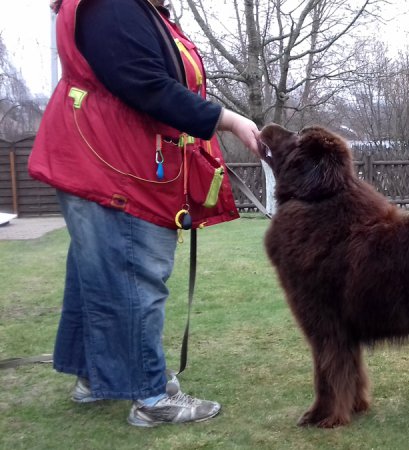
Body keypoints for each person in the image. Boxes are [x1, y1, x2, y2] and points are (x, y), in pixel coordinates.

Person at [28, 0, 261, 427]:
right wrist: (226, 119)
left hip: (102, 162)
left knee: (95, 278)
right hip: (115, 169)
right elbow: (147, 84)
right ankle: (152, 398)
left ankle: (95, 379)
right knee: (135, 278)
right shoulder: (113, 6)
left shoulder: (129, 8)